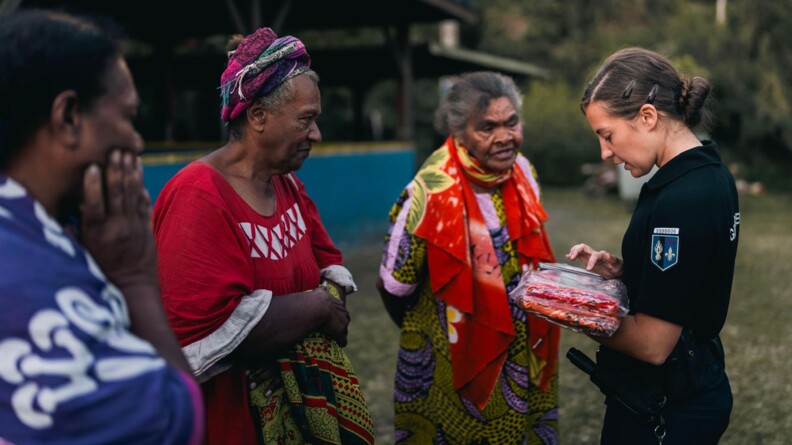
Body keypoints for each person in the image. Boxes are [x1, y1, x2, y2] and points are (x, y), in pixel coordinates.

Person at [152, 27, 374, 445]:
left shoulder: (286, 185)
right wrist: (315, 309)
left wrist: (324, 302)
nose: (316, 134)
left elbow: (328, 262)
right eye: (306, 120)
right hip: (228, 426)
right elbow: (198, 334)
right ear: (257, 116)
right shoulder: (198, 196)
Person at [0, 9, 203, 445]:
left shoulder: (42, 233)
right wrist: (134, 281)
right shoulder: (30, 283)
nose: (136, 141)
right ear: (69, 117)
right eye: (128, 117)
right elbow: (172, 421)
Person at [377, 71, 561, 444]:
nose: (504, 137)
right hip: (453, 369)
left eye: (511, 123)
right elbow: (393, 287)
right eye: (487, 127)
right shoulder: (429, 193)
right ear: (458, 131)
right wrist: (443, 335)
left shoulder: (522, 172)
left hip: (525, 358)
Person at [567, 47, 739, 444]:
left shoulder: (681, 199)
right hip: (695, 386)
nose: (605, 153)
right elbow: (691, 280)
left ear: (647, 116)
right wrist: (629, 271)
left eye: (607, 135)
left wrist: (574, 312)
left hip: (667, 407)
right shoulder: (712, 173)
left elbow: (652, 345)